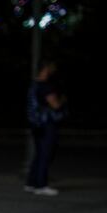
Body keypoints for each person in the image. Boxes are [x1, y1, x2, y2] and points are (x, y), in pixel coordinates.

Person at [25, 60, 67, 196]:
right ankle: (41, 185)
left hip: (35, 124)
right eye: (49, 69)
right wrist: (62, 101)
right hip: (47, 124)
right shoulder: (46, 87)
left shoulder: (34, 85)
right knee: (45, 154)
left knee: (38, 154)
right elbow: (55, 105)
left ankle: (31, 183)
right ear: (44, 70)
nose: (51, 72)